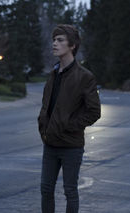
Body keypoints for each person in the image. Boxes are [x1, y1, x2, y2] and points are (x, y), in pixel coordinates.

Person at [37, 24, 101, 213]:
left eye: (60, 40)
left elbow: (94, 112)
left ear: (72, 45)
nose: (54, 44)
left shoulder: (84, 77)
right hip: (50, 143)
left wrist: (68, 125)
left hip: (71, 145)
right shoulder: (53, 75)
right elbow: (46, 106)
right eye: (54, 40)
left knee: (70, 191)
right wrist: (43, 126)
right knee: (46, 190)